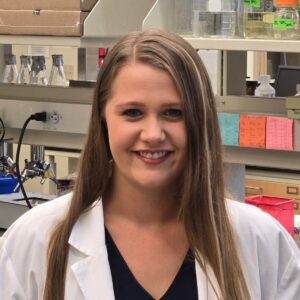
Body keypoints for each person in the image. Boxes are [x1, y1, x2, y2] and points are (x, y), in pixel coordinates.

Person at [0, 29, 300, 300]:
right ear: (103, 120)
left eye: (173, 113)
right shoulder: (34, 241)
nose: (153, 134)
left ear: (200, 121)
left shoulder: (261, 241)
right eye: (132, 112)